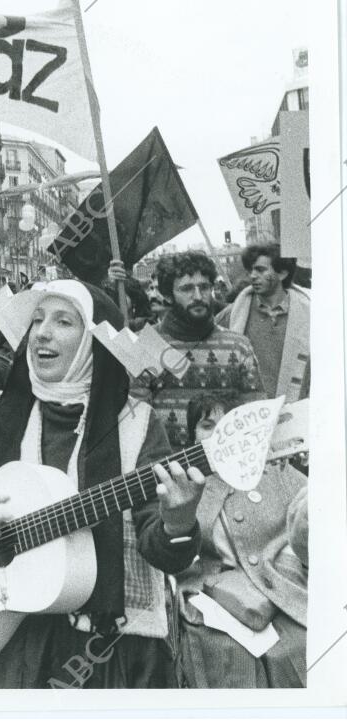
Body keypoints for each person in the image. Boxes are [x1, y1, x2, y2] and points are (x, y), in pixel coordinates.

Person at [0, 279, 206, 688]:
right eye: (37, 320)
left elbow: (162, 552)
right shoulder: (4, 414)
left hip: (107, 649)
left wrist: (178, 523)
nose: (41, 332)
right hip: (17, 638)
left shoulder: (138, 424)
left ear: (93, 343)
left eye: (63, 322)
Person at [173, 394, 307, 688]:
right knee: (225, 658)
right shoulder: (183, 489)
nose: (219, 436)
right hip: (214, 605)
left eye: (228, 427)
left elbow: (309, 526)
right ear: (192, 436)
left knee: (296, 650)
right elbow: (177, 553)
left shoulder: (278, 471)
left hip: (286, 594)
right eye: (208, 426)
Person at [133, 252, 265, 449]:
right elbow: (137, 421)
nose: (197, 296)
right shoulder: (146, 344)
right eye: (186, 289)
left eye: (204, 287)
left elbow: (256, 414)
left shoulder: (238, 346)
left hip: (225, 466)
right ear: (168, 295)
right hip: (166, 469)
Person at [214, 243, 310, 402]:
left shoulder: (309, 314)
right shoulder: (234, 312)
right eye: (251, 270)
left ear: (282, 274)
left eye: (260, 270)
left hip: (296, 411)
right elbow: (205, 336)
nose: (252, 276)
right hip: (249, 412)